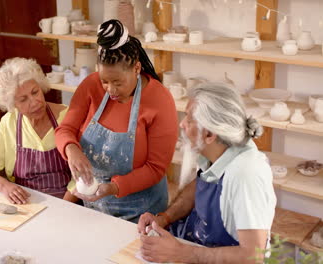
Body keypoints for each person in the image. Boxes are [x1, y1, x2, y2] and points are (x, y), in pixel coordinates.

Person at [137, 83, 277, 263]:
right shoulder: (216, 151)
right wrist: (164, 218)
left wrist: (182, 253)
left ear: (210, 134)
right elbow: (199, 186)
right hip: (195, 242)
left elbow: (252, 256)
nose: (182, 123)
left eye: (189, 119)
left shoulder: (246, 174)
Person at [55, 19, 178, 223]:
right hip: (95, 205)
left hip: (142, 213)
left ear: (137, 68)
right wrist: (71, 149)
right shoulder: (90, 86)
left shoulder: (160, 101)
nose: (110, 90)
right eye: (105, 81)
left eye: (118, 83)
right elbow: (64, 129)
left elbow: (156, 168)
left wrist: (113, 188)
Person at [0, 57, 77, 204]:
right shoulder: (9, 124)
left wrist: (65, 206)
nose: (34, 102)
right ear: (12, 104)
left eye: (35, 92)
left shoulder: (67, 116)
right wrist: (5, 186)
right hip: (26, 203)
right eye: (23, 99)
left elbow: (83, 174)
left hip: (67, 201)